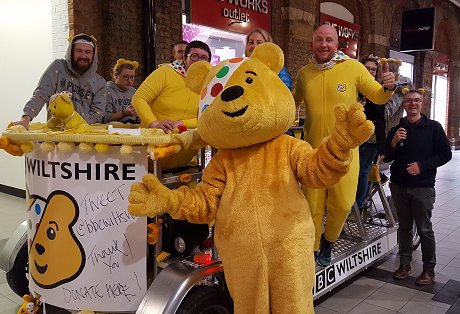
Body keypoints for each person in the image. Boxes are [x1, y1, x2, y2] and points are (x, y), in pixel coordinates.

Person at [293, 24, 396, 267]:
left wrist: (388, 86)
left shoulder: (353, 68)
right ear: (312, 43)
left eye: (329, 40)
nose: (323, 45)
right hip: (313, 154)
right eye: (319, 39)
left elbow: (378, 95)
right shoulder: (305, 73)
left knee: (342, 204)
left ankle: (329, 241)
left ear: (336, 43)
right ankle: (313, 249)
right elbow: (291, 102)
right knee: (312, 206)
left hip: (345, 154)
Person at [385, 88, 451, 285]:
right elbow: (387, 157)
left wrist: (421, 166)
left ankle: (428, 269)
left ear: (422, 104)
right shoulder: (396, 129)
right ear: (403, 105)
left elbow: (445, 155)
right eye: (408, 101)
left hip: (422, 187)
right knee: (404, 227)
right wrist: (394, 142)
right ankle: (404, 263)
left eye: (416, 100)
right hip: (398, 186)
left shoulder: (434, 128)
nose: (412, 104)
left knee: (424, 229)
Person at [13, 33, 106, 129]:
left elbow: (97, 114)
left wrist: (71, 121)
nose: (83, 56)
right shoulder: (57, 67)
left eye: (88, 52)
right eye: (78, 51)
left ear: (93, 55)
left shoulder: (100, 83)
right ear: (71, 52)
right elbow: (41, 94)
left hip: (84, 136)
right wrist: (26, 119)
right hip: (55, 134)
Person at [132, 40, 211, 133]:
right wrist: (154, 124)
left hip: (188, 141)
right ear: (185, 59)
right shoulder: (165, 72)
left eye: (204, 58)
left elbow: (208, 115)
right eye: (194, 56)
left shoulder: (208, 83)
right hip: (155, 137)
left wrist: (183, 123)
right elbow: (138, 98)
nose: (199, 61)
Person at [355, 54, 387, 210]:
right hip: (354, 138)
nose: (370, 72)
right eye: (367, 68)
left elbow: (381, 120)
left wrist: (382, 147)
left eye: (373, 70)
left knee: (363, 171)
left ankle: (359, 204)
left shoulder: (376, 90)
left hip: (370, 140)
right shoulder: (355, 87)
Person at [104, 58, 140, 124]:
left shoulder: (134, 92)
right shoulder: (107, 91)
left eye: (132, 77)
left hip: (133, 127)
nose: (129, 81)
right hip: (114, 129)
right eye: (125, 77)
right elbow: (105, 118)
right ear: (116, 75)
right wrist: (124, 113)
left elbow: (138, 117)